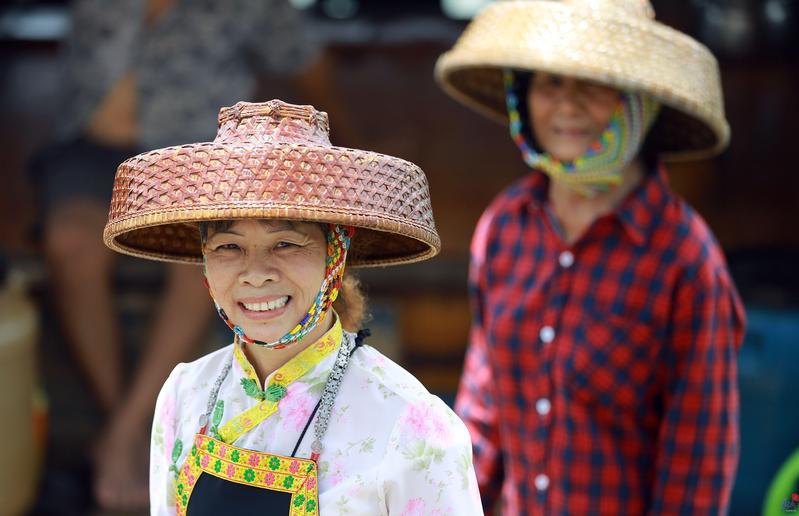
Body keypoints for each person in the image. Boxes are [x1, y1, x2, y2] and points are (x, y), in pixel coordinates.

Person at [435, 0, 746, 514]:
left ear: (636, 101)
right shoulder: (505, 226)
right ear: (522, 93)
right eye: (548, 84)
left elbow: (697, 461)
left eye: (593, 84)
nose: (567, 106)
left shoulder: (684, 259)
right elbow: (483, 411)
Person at [102, 99, 484, 514]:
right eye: (229, 246)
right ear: (206, 264)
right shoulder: (184, 394)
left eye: (285, 243)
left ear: (334, 255)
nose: (256, 272)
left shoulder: (410, 424)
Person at [30, 0, 330, 509]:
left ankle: (122, 440)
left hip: (192, 157)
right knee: (72, 243)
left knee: (205, 265)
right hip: (86, 150)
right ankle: (129, 436)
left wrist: (348, 146)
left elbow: (307, 60)